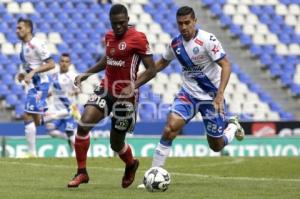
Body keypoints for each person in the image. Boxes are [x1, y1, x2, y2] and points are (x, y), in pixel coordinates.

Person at [138, 6, 244, 187]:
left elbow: (226, 65)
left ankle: (232, 126)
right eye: (180, 24)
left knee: (216, 145)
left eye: (187, 23)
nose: (184, 27)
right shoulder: (176, 44)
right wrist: (136, 83)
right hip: (188, 95)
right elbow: (162, 62)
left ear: (195, 21)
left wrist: (219, 95)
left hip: (211, 98)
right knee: (170, 128)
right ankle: (153, 172)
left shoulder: (207, 40)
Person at [67, 4, 156, 188]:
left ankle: (131, 164)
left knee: (116, 144)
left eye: (121, 23)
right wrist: (87, 73)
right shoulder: (109, 36)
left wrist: (133, 86)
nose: (117, 27)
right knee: (83, 125)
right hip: (106, 89)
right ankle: (82, 172)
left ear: (128, 20)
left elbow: (152, 70)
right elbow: (107, 59)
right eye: (114, 23)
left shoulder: (138, 38)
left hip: (126, 97)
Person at [16, 18, 55, 157]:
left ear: (28, 29)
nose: (17, 30)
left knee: (26, 116)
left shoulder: (37, 43)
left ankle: (31, 153)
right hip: (32, 84)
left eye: (20, 28)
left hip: (40, 83)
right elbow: (30, 64)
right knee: (36, 121)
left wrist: (33, 72)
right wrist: (23, 74)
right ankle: (55, 115)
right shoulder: (23, 44)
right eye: (17, 28)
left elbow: (51, 64)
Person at [45, 53, 79, 151]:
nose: (64, 63)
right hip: (56, 111)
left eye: (66, 62)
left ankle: (76, 157)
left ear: (70, 63)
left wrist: (74, 91)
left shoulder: (73, 76)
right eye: (62, 61)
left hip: (69, 110)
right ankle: (67, 138)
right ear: (59, 62)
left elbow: (78, 89)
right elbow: (50, 91)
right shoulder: (54, 76)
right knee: (50, 130)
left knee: (70, 132)